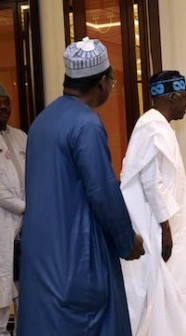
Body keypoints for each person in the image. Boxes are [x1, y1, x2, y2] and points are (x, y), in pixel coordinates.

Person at [18, 37, 144, 336]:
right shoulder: (86, 124)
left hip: (42, 261)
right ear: (102, 82)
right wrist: (127, 242)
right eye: (112, 81)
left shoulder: (42, 121)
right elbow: (103, 193)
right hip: (79, 259)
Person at [120, 70, 186, 335]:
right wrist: (165, 229)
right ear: (172, 96)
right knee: (159, 290)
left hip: (166, 223)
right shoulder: (151, 126)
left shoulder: (158, 125)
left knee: (175, 289)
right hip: (156, 225)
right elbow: (150, 180)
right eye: (185, 97)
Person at [0, 84, 26, 336]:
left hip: (24, 232)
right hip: (2, 229)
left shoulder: (21, 137)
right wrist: (27, 208)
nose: (3, 107)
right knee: (0, 299)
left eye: (6, 102)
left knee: (25, 299)